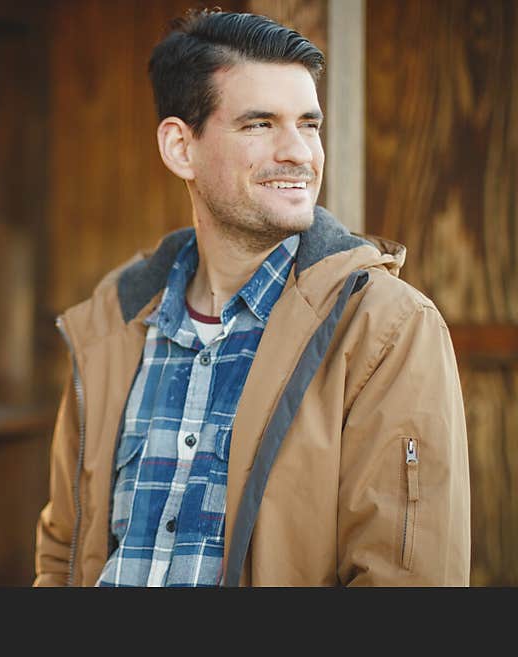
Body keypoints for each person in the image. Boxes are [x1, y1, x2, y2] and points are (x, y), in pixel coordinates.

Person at [34, 9, 470, 586]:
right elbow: (62, 552)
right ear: (180, 147)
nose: (299, 153)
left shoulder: (387, 328)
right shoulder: (110, 324)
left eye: (309, 125)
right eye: (260, 124)